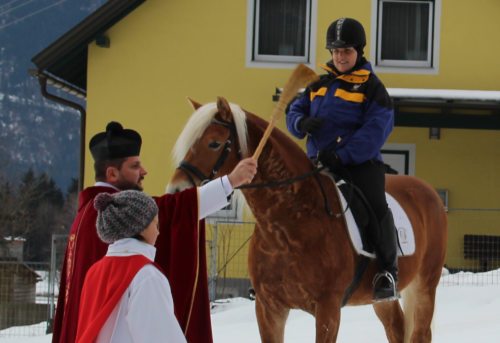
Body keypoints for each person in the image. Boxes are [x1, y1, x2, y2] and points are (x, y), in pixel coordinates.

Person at [52, 121, 257, 343]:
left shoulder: (88, 217)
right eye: (135, 166)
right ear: (112, 173)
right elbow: (175, 210)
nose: (144, 171)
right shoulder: (143, 273)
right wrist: (230, 181)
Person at [286, 17, 398, 301]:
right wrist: (301, 123)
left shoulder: (372, 88)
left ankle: (387, 270)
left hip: (358, 165)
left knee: (375, 207)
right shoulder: (317, 82)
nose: (340, 57)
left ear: (359, 51)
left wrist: (342, 155)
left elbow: (376, 130)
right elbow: (294, 109)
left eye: (346, 51)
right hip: (317, 164)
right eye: (335, 51)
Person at [77, 190, 186, 342]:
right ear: (141, 226)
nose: (159, 232)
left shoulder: (94, 272)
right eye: (156, 224)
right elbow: (160, 336)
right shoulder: (146, 276)